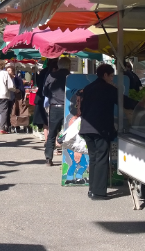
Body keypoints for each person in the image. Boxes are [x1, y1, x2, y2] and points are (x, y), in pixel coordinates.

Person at [78, 64, 122, 199]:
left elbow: (82, 107)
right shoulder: (109, 89)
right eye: (111, 76)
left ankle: (92, 189)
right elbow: (123, 102)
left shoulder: (88, 88)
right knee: (102, 158)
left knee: (94, 158)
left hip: (86, 128)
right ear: (105, 75)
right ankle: (99, 192)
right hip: (101, 129)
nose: (112, 78)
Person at [42, 56, 71, 166]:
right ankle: (68, 158)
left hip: (54, 106)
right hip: (68, 107)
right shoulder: (71, 77)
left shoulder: (51, 75)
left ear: (58, 65)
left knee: (52, 133)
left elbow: (45, 92)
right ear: (69, 66)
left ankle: (48, 157)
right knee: (69, 132)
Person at [32, 59, 56, 140]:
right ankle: (53, 139)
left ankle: (46, 138)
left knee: (45, 119)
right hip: (52, 98)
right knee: (52, 119)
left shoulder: (43, 72)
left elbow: (38, 83)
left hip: (42, 97)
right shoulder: (54, 73)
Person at [8, 64, 30, 133]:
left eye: (9, 70)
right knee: (11, 112)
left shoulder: (17, 78)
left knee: (16, 111)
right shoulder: (7, 78)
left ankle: (17, 125)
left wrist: (18, 92)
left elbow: (21, 88)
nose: (8, 71)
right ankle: (12, 124)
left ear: (13, 71)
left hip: (16, 98)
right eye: (7, 70)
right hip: (9, 97)